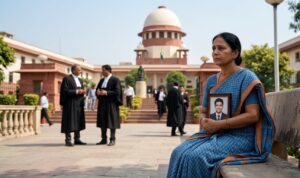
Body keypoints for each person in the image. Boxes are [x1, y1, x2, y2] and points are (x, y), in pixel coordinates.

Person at [167, 32, 274, 178]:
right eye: (213, 48)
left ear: (235, 53)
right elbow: (204, 110)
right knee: (178, 152)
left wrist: (221, 124)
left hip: (241, 137)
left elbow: (253, 115)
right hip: (214, 134)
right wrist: (204, 120)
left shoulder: (247, 78)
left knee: (196, 157)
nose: (215, 52)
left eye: (221, 48)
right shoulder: (211, 80)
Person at [60, 64, 86, 147]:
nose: (80, 71)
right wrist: (77, 91)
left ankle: (77, 139)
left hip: (79, 103)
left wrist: (83, 92)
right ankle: (68, 140)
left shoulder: (80, 80)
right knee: (69, 121)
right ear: (73, 70)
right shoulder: (67, 79)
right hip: (70, 103)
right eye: (79, 70)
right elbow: (65, 91)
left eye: (80, 70)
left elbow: (81, 91)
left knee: (78, 120)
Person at [96, 65, 122, 146]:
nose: (102, 72)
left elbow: (117, 92)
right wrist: (98, 92)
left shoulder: (115, 80)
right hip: (102, 104)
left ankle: (112, 139)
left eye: (103, 70)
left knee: (111, 121)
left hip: (111, 104)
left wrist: (106, 92)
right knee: (102, 121)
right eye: (102, 70)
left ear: (108, 70)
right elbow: (98, 89)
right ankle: (103, 139)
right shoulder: (101, 80)